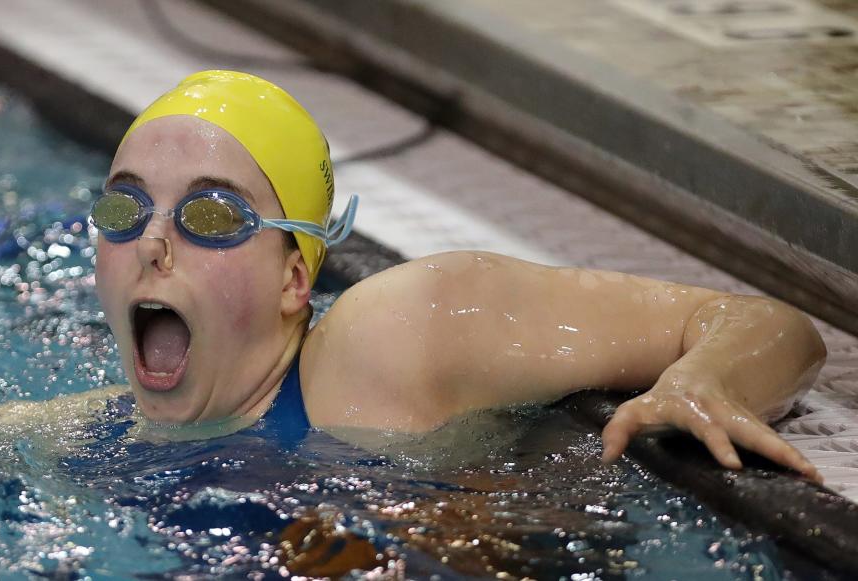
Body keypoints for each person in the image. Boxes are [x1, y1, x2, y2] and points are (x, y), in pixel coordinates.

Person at [84, 70, 824, 480]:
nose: (152, 241)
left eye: (212, 215)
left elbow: (767, 324)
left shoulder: (403, 333)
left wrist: (707, 382)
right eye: (125, 206)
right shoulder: (85, 439)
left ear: (294, 279)